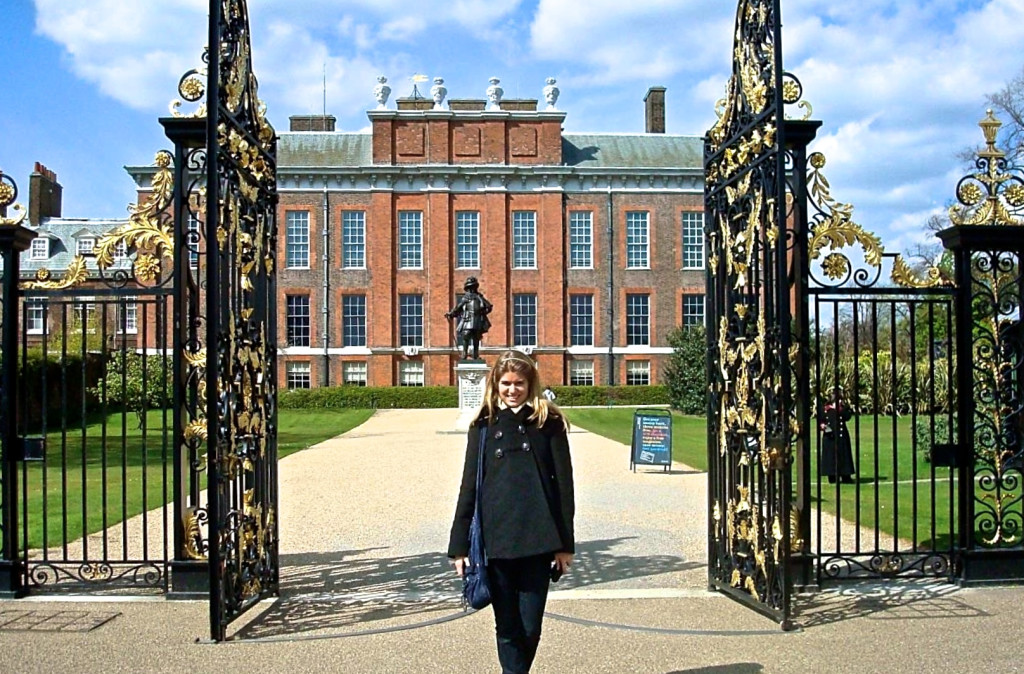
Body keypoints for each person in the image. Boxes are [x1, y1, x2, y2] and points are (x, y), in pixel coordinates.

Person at [448, 350, 575, 674]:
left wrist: (565, 545)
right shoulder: (483, 426)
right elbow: (469, 488)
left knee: (530, 627)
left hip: (538, 537)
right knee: (506, 627)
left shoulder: (549, 422)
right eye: (506, 383)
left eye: (519, 383)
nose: (512, 390)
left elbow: (564, 487)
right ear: (496, 384)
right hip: (497, 539)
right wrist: (459, 546)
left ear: (530, 383)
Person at [445, 276, 493, 360]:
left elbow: (489, 306)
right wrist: (451, 314)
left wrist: (483, 312)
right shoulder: (466, 298)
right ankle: (464, 354)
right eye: (470, 287)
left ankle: (475, 355)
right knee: (466, 335)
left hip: (477, 319)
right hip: (468, 319)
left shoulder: (479, 297)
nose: (471, 289)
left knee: (476, 338)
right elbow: (458, 307)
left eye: (473, 287)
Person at [819, 389, 856, 484]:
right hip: (830, 436)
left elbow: (847, 417)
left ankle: (845, 475)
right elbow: (821, 419)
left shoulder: (843, 408)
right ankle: (832, 475)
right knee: (830, 456)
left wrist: (840, 408)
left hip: (841, 436)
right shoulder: (826, 409)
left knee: (844, 455)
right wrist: (822, 425)